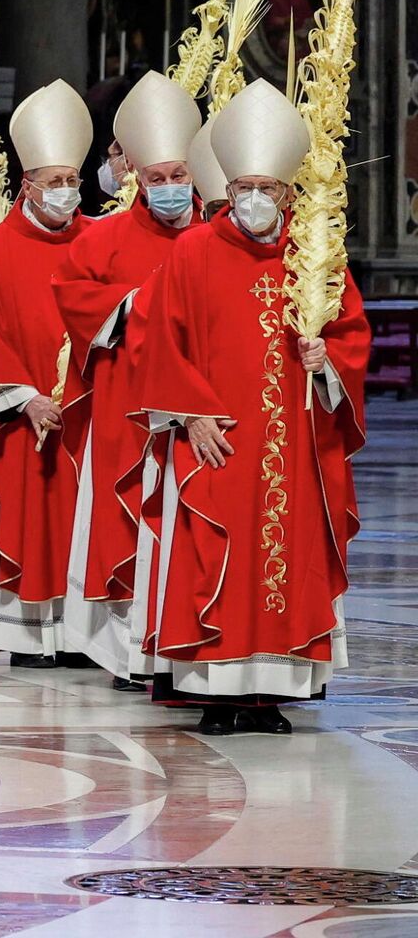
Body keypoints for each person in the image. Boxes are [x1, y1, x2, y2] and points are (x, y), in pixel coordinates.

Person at [134, 79, 368, 735]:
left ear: (289, 195)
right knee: (218, 556)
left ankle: (269, 695)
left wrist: (329, 366)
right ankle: (217, 691)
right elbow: (161, 341)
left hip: (294, 441)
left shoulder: (315, 256)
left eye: (269, 190)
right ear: (228, 191)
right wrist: (191, 413)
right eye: (245, 190)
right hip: (221, 435)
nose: (256, 201)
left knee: (287, 558)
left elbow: (349, 337)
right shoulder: (193, 251)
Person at [51, 71, 201, 688]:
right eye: (157, 177)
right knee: (125, 525)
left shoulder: (216, 236)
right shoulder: (105, 237)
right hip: (126, 407)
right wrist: (139, 307)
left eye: (178, 176)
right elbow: (72, 293)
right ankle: (126, 654)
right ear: (137, 176)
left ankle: (186, 643)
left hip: (199, 412)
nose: (168, 189)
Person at [0, 79, 93, 669]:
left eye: (71, 182)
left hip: (83, 417)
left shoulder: (95, 242)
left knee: (79, 524)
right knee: (29, 518)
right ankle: (26, 634)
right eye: (54, 183)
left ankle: (80, 633)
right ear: (27, 185)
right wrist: (25, 400)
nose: (65, 193)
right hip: (19, 419)